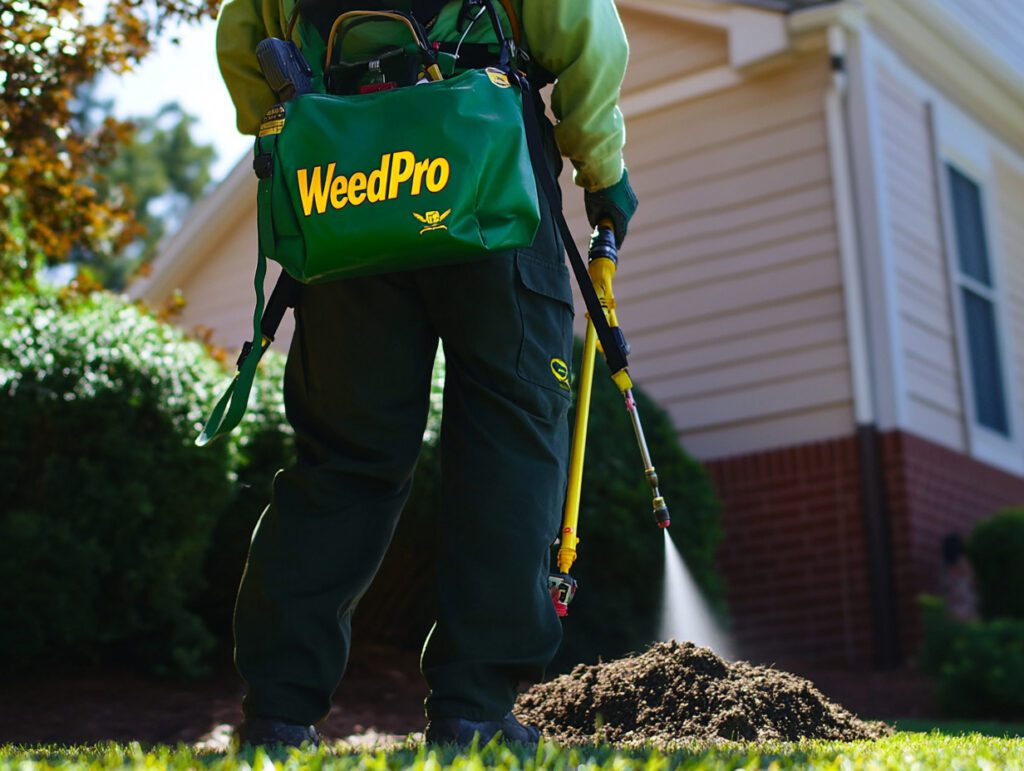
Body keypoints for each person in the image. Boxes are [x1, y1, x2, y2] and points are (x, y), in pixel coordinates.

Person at [215, 0, 638, 748]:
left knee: (342, 458)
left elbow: (242, 46)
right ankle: (473, 711)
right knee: (508, 442)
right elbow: (584, 38)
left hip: (345, 185)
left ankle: (278, 713)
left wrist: (309, 124)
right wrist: (602, 173)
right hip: (485, 164)